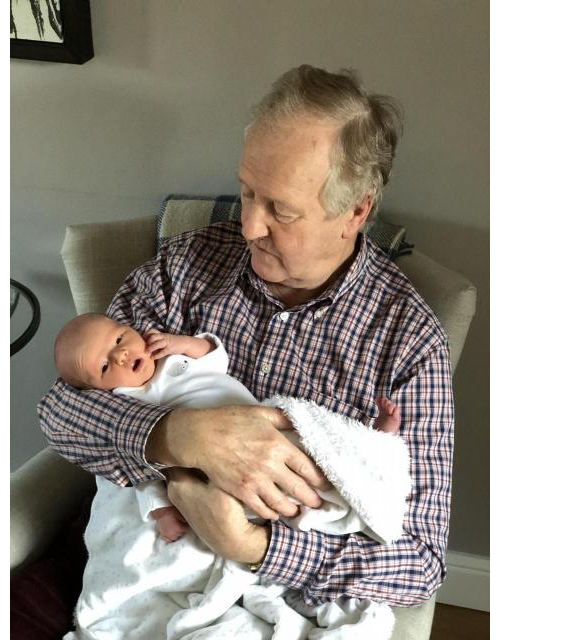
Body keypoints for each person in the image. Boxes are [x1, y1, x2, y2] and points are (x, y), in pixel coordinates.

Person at [38, 64, 454, 608]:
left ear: (356, 211)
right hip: (147, 561)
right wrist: (177, 434)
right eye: (247, 193)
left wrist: (252, 545)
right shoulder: (184, 268)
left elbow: (420, 563)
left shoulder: (408, 341)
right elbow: (61, 412)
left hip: (279, 596)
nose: (250, 226)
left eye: (280, 210)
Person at [53, 312, 402, 543]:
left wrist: (181, 343)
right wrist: (161, 513)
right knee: (260, 500)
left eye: (119, 339)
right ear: (99, 390)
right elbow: (144, 472)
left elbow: (215, 357)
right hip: (214, 473)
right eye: (104, 367)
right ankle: (335, 510)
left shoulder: (171, 356)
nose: (121, 356)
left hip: (262, 427)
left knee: (312, 443)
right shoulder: (128, 401)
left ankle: (372, 444)